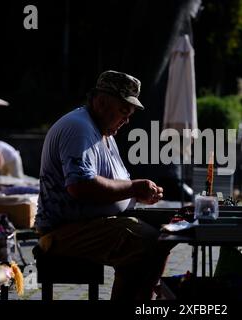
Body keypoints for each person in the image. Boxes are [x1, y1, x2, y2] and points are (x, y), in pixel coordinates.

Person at [35, 70, 171, 300]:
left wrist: (139, 195)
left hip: (90, 224)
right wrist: (134, 187)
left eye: (129, 115)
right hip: (62, 232)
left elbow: (115, 184)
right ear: (100, 102)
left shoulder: (104, 133)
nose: (126, 121)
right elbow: (80, 186)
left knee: (166, 230)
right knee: (148, 241)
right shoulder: (79, 128)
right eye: (123, 112)